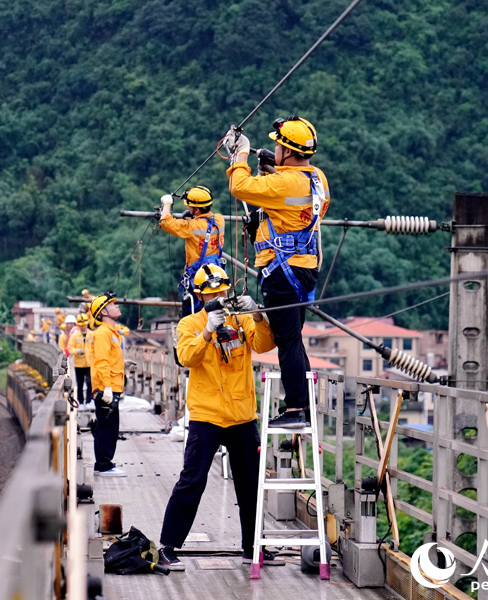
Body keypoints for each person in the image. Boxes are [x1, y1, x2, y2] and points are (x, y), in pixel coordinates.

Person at [157, 264, 284, 571]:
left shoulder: (240, 320)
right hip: (207, 415)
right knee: (193, 479)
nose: (218, 298)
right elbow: (187, 357)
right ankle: (167, 546)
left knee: (251, 484)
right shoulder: (189, 324)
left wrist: (257, 315)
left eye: (222, 292)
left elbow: (265, 344)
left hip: (241, 415)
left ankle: (252, 548)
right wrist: (207, 330)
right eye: (211, 294)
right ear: (200, 296)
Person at [223, 116, 330, 429]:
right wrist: (274, 168)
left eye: (278, 145)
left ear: (288, 150)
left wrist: (240, 153)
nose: (274, 148)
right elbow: (291, 197)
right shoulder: (316, 178)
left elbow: (239, 187)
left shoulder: (284, 183)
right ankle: (303, 405)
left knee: (287, 341)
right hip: (304, 268)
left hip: (281, 272)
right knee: (293, 339)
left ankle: (295, 408)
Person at [159, 186, 226, 316]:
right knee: (217, 311)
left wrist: (167, 204)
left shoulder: (192, 226)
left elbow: (166, 223)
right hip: (217, 274)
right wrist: (192, 217)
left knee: (194, 315)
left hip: (198, 277)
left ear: (196, 209)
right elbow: (204, 223)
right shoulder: (219, 220)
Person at [90, 293, 127, 477]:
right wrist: (107, 388)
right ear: (103, 311)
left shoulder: (112, 333)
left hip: (111, 387)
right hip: (107, 389)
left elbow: (110, 360)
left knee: (108, 426)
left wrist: (124, 365)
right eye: (112, 304)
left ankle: (103, 463)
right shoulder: (103, 333)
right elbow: (101, 361)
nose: (117, 306)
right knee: (107, 428)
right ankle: (104, 465)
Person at [68, 315, 92, 406]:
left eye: (84, 325)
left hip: (89, 363)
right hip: (79, 364)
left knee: (90, 383)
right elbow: (70, 347)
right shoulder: (74, 336)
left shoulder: (92, 335)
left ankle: (89, 400)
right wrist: (76, 351)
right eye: (81, 325)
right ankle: (81, 402)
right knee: (80, 383)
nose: (83, 327)